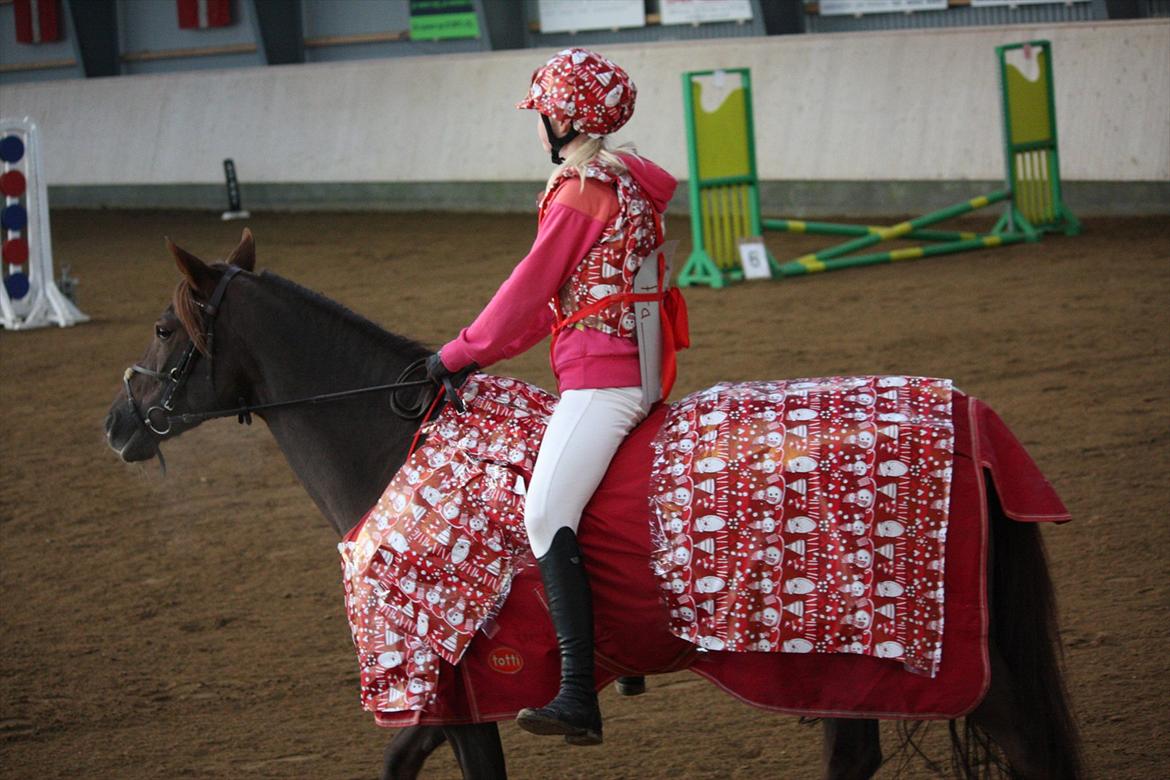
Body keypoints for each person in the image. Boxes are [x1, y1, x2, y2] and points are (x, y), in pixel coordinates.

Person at [425, 48, 680, 746]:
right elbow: (558, 302)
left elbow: (528, 292)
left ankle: (577, 695)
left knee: (543, 513)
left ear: (566, 118)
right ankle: (624, 660)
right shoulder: (624, 178)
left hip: (606, 380)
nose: (537, 124)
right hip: (627, 365)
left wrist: (458, 353)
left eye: (541, 112)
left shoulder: (579, 191)